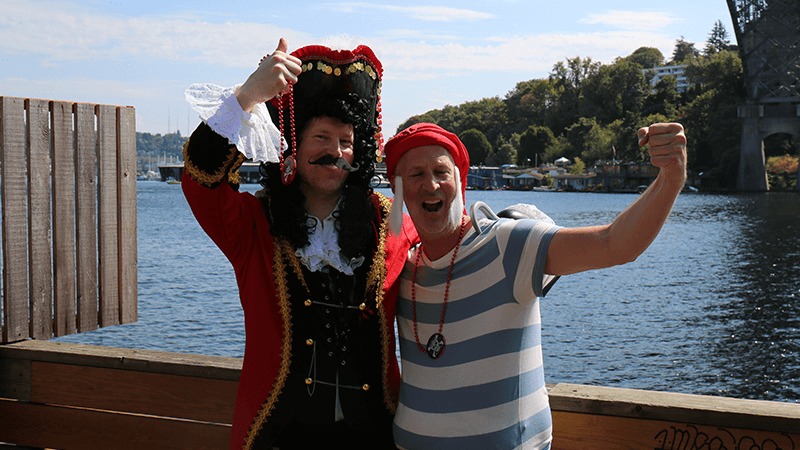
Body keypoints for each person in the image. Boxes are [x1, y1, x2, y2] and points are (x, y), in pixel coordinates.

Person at [383, 122, 687, 449]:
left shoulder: (507, 245)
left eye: (441, 172)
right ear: (398, 188)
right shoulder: (402, 266)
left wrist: (671, 178)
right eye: (416, 175)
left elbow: (613, 243)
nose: (431, 185)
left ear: (459, 180)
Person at [182, 38, 417, 449]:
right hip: (276, 436)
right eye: (322, 138)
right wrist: (248, 95)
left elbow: (449, 248)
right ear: (291, 145)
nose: (337, 152)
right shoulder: (255, 224)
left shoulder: (389, 222)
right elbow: (202, 180)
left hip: (374, 436)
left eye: (346, 141)